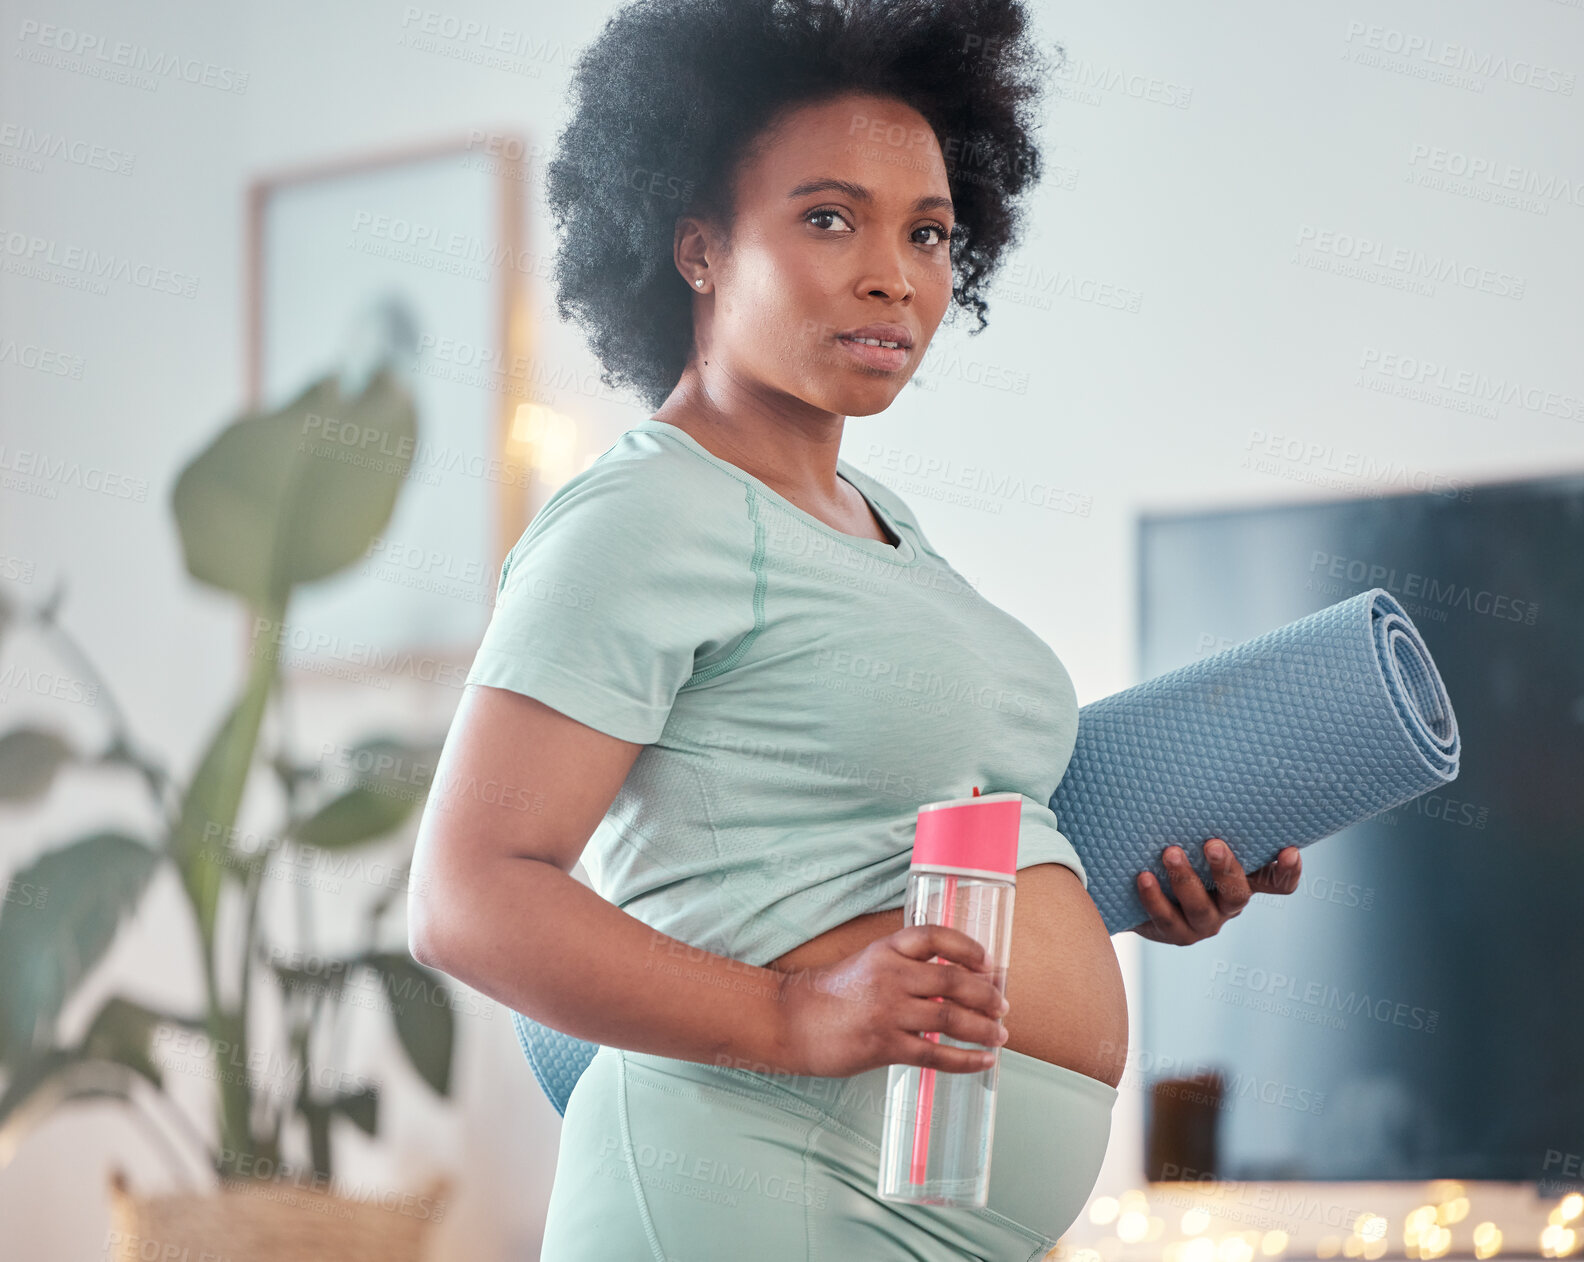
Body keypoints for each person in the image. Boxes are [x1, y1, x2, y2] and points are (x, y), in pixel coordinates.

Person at [409, 0, 1302, 1256]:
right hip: (746, 1184)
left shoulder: (880, 521)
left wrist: (1140, 881)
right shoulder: (645, 512)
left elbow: (878, 845)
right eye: (829, 217)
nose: (894, 272)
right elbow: (465, 894)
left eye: (929, 231)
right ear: (699, 247)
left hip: (934, 1205)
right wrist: (795, 1015)